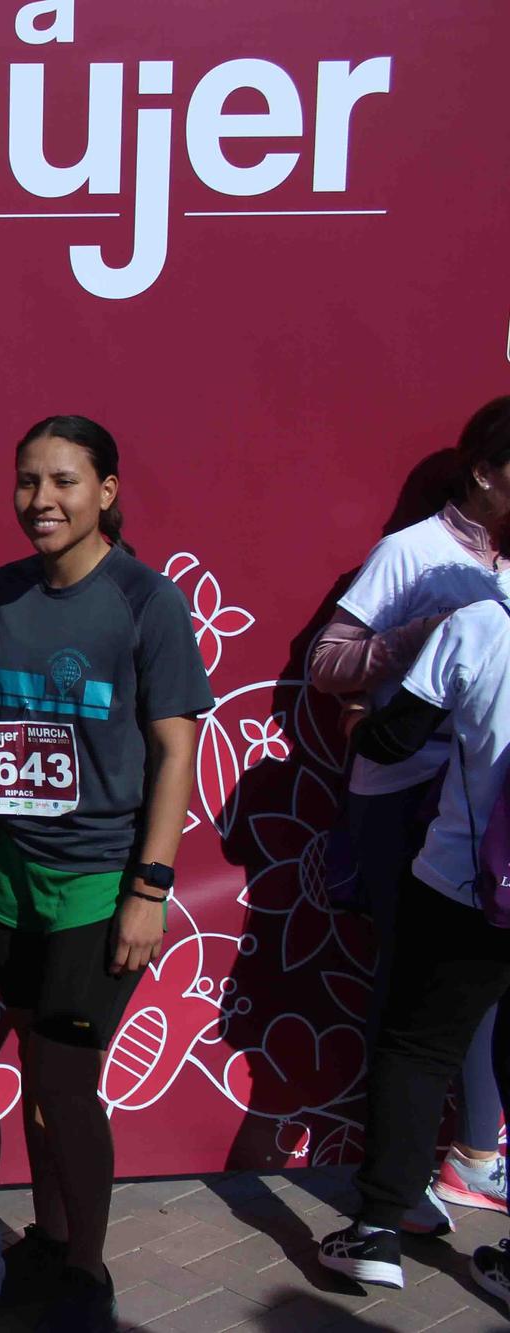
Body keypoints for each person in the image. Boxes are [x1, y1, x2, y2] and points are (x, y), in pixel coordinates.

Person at [0, 416, 211, 1333]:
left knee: (69, 1077)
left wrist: (148, 887)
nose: (43, 500)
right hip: (9, 882)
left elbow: (174, 747)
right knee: (40, 1066)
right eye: (28, 480)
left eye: (66, 481)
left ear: (106, 491)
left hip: (97, 886)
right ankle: (49, 1232)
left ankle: (88, 1270)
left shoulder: (145, 601)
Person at [310, 396, 510, 1217]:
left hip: (490, 818)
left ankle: (468, 1157)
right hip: (404, 800)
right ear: (485, 473)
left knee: (479, 997)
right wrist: (425, 636)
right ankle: (399, 1192)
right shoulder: (411, 550)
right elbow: (329, 661)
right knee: (412, 998)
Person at [316, 591, 510, 1310]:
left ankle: (377, 1229)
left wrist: (361, 721)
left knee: (416, 1047)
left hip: (465, 884)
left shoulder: (483, 625)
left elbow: (394, 738)